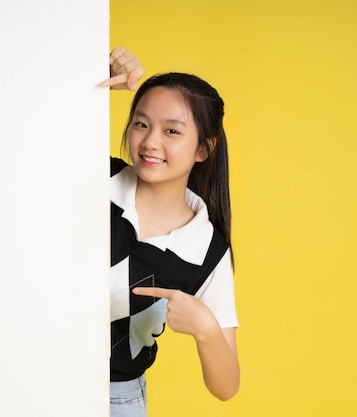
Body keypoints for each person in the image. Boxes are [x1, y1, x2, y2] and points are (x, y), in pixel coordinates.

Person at [100, 48, 240, 417]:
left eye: (172, 131)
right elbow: (25, 131)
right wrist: (91, 75)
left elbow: (226, 387)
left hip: (116, 399)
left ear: (203, 148)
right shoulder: (93, 176)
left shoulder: (206, 250)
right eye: (141, 124)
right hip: (28, 371)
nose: (150, 142)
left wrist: (206, 329)